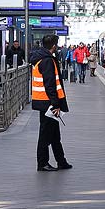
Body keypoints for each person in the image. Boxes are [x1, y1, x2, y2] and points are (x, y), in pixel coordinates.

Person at [31, 35, 72, 171]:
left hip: (45, 101)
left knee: (54, 135)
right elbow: (50, 85)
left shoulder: (40, 58)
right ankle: (42, 163)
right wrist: (55, 104)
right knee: (45, 135)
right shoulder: (47, 61)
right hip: (48, 103)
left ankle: (61, 161)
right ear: (54, 46)